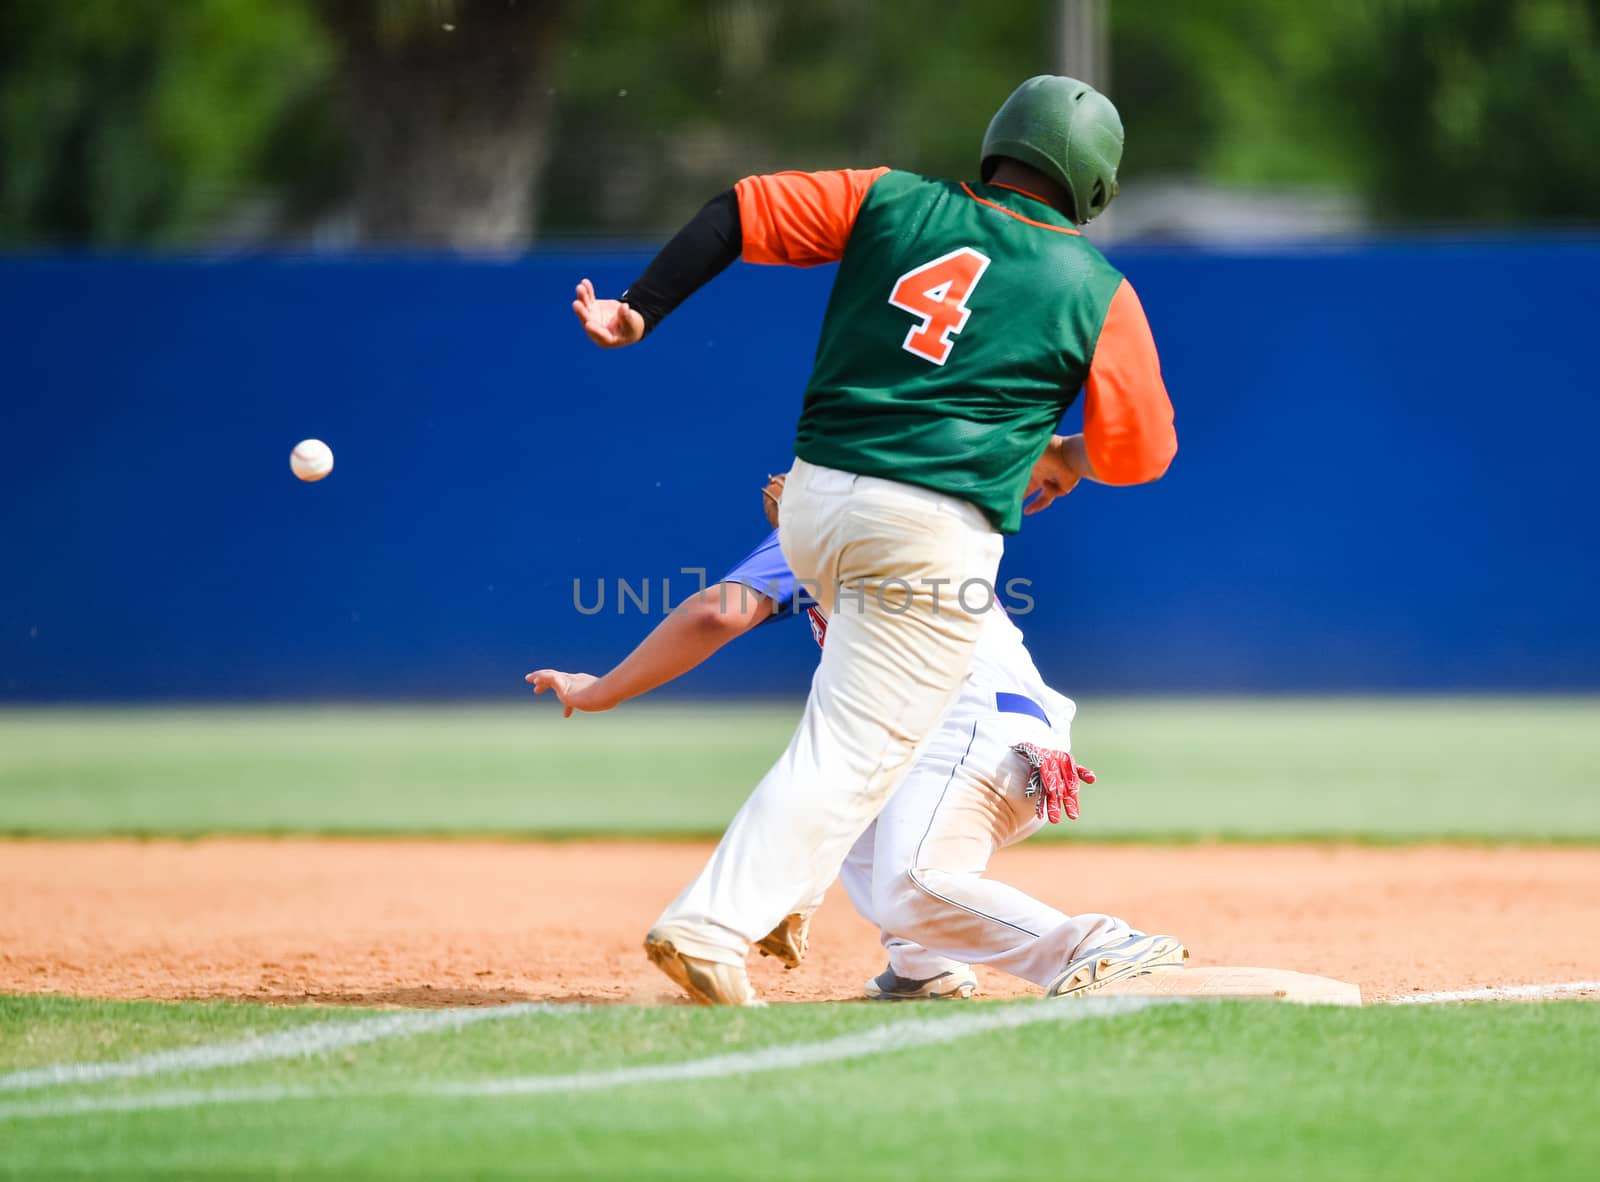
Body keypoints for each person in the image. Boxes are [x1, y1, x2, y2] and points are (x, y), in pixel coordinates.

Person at [570, 75, 1177, 1005]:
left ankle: (849, 927)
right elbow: (1143, 457)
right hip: (932, 527)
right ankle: (713, 921)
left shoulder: (893, 198)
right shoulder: (1095, 287)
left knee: (858, 741)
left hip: (815, 498)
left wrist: (640, 306)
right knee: (854, 748)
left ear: (995, 145)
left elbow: (742, 208)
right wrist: (1054, 449)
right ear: (1097, 188)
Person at [528, 477, 1186, 1001]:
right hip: (986, 727)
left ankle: (1096, 946)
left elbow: (714, 612)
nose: (783, 487)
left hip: (973, 727)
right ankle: (925, 965)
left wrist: (600, 689)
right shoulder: (908, 523)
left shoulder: (824, 525)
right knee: (855, 801)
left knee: (915, 884)